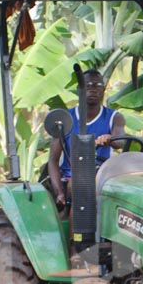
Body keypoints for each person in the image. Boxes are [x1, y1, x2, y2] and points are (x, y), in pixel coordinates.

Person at [47, 69, 126, 207]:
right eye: (88, 85)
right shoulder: (65, 119)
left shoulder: (114, 117)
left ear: (103, 90)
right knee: (81, 187)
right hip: (72, 178)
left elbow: (120, 141)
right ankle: (76, 228)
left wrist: (110, 139)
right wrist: (59, 192)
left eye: (98, 86)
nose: (93, 89)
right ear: (80, 89)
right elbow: (53, 160)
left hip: (103, 177)